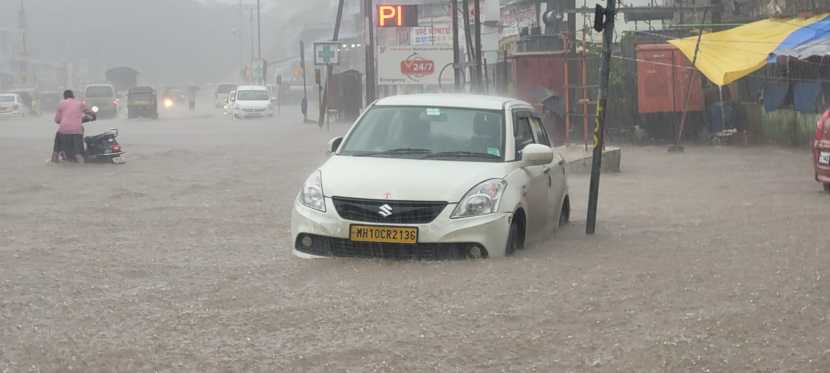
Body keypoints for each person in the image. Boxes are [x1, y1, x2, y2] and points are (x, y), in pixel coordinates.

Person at [52, 90, 93, 163]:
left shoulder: (61, 103)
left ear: (64, 97)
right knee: (79, 154)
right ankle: (82, 167)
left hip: (63, 130)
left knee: (56, 150)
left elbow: (57, 120)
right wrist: (93, 116)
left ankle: (54, 159)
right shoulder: (80, 103)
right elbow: (90, 113)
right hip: (77, 131)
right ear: (73, 96)